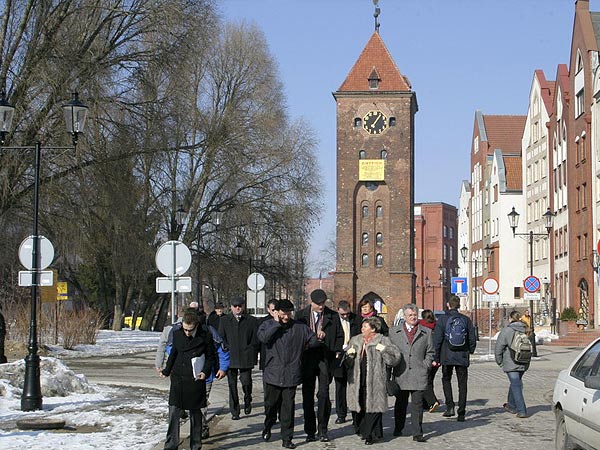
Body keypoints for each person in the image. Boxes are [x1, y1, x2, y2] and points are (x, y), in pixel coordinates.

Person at [258, 299, 320, 449]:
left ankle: (287, 438)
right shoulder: (267, 325)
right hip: (273, 373)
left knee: (288, 408)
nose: (286, 317)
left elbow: (314, 340)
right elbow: (263, 338)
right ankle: (268, 425)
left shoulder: (300, 327)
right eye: (283, 313)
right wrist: (276, 324)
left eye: (288, 313)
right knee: (271, 405)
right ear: (277, 313)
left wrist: (306, 345)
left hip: (291, 373)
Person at [160, 310, 216, 450]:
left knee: (195, 416)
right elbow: (173, 353)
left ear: (196, 326)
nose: (187, 333)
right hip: (178, 379)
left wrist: (205, 372)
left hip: (195, 380)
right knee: (173, 413)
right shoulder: (177, 334)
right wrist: (166, 370)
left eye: (190, 330)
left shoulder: (205, 336)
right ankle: (171, 445)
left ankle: (195, 445)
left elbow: (210, 357)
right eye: (185, 329)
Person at [296, 289, 344, 442]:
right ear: (311, 303)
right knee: (308, 395)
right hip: (307, 359)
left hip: (325, 358)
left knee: (324, 394)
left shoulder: (332, 315)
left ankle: (322, 429)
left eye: (323, 303)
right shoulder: (301, 316)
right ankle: (310, 430)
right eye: (318, 304)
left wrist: (333, 347)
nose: (321, 307)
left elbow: (339, 336)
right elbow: (296, 336)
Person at [345, 316, 400, 445]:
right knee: (362, 405)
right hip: (358, 378)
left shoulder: (382, 340)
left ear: (373, 329)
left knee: (374, 407)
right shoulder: (356, 340)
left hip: (375, 380)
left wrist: (384, 350)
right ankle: (373, 431)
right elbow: (347, 360)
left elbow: (395, 358)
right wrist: (350, 354)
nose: (362, 329)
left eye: (365, 327)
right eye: (362, 326)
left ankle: (369, 434)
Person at [389, 304, 434, 442]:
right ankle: (398, 427)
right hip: (401, 373)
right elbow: (389, 352)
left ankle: (417, 432)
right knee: (401, 403)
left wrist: (425, 365)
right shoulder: (394, 332)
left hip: (418, 373)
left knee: (417, 404)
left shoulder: (426, 332)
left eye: (415, 315)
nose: (413, 317)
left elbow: (431, 352)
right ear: (404, 317)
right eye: (410, 315)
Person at [433, 295, 477, 422]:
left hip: (446, 355)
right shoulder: (466, 320)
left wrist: (436, 356)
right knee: (462, 384)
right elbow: (472, 338)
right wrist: (470, 350)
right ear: (459, 305)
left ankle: (450, 406)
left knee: (446, 379)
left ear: (448, 305)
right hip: (462, 355)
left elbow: (437, 340)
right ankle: (461, 412)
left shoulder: (442, 320)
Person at [218, 297, 259, 420]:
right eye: (234, 306)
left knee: (246, 382)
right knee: (232, 385)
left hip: (246, 356)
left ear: (243, 306)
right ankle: (235, 411)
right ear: (230, 307)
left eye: (239, 306)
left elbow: (255, 339)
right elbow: (221, 338)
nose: (237, 308)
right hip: (230, 357)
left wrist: (251, 351)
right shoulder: (225, 320)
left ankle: (247, 398)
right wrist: (224, 353)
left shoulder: (251, 320)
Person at [494, 310, 530, 418]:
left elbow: (498, 348)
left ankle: (521, 410)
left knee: (516, 385)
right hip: (523, 361)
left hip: (511, 362)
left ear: (510, 318)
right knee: (516, 383)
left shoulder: (507, 331)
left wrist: (500, 362)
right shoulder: (526, 329)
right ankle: (511, 405)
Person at [333, 300, 361, 424]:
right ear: (338, 310)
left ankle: (356, 413)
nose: (345, 316)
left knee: (355, 386)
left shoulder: (357, 319)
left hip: (353, 355)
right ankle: (341, 414)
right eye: (342, 314)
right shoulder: (333, 320)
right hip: (339, 356)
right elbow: (330, 338)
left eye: (347, 314)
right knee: (340, 387)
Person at [419, 309, 440, 412]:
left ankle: (432, 401)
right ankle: (425, 404)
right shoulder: (437, 326)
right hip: (436, 359)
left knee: (424, 381)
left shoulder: (420, 326)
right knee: (429, 381)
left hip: (424, 358)